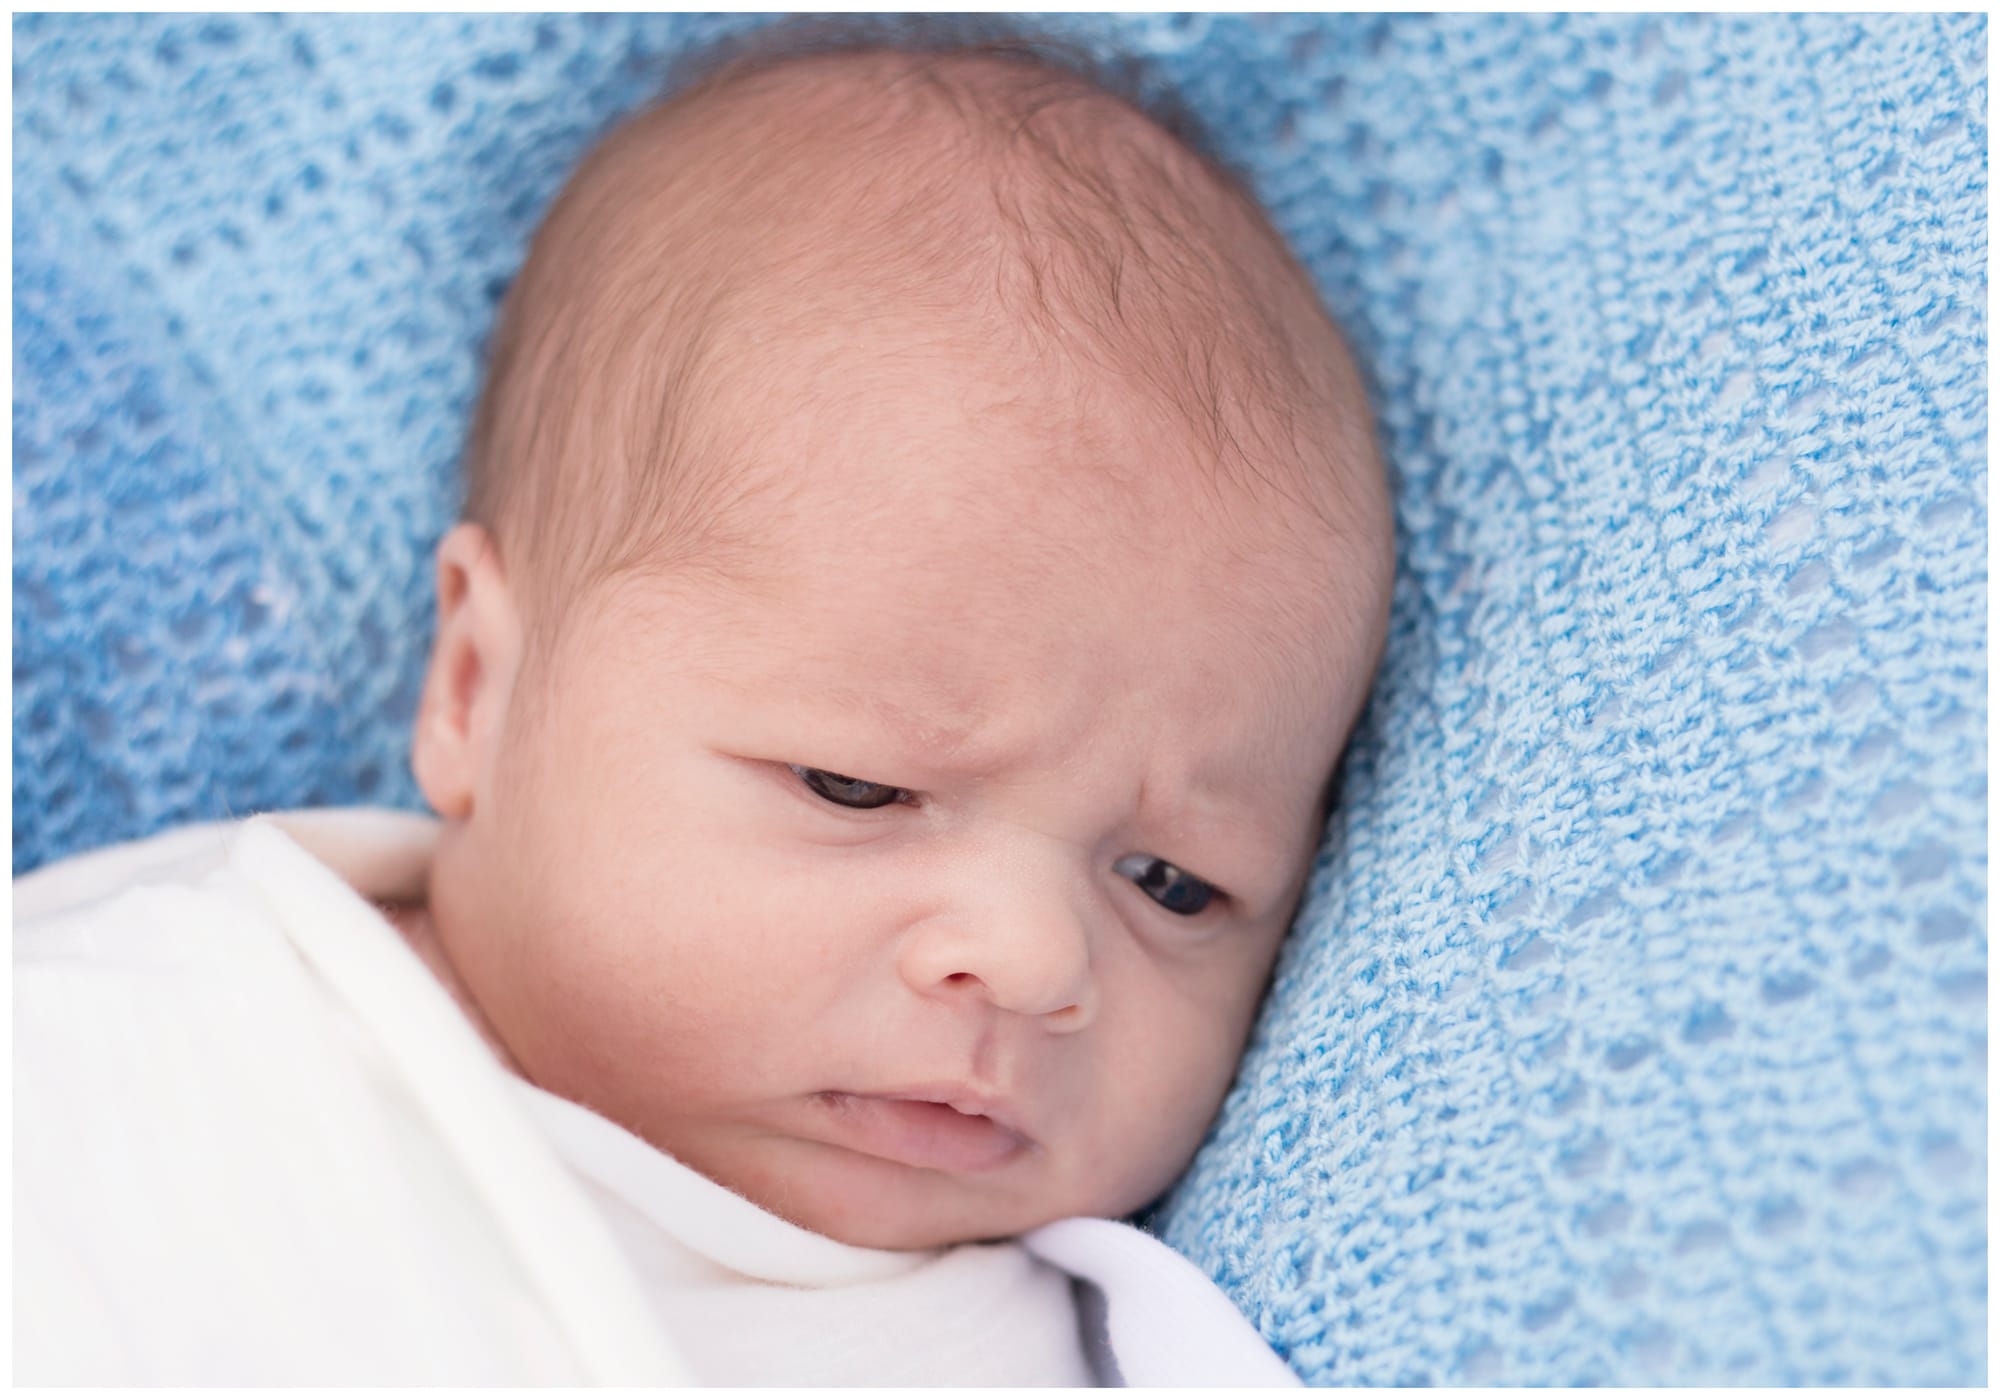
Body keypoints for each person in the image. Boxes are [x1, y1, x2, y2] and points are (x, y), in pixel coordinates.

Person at [14, 28, 1393, 1386]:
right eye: (856, 787)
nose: (1036, 959)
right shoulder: (145, 1026)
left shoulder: (1100, 1342)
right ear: (476, 690)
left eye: (1174, 884)